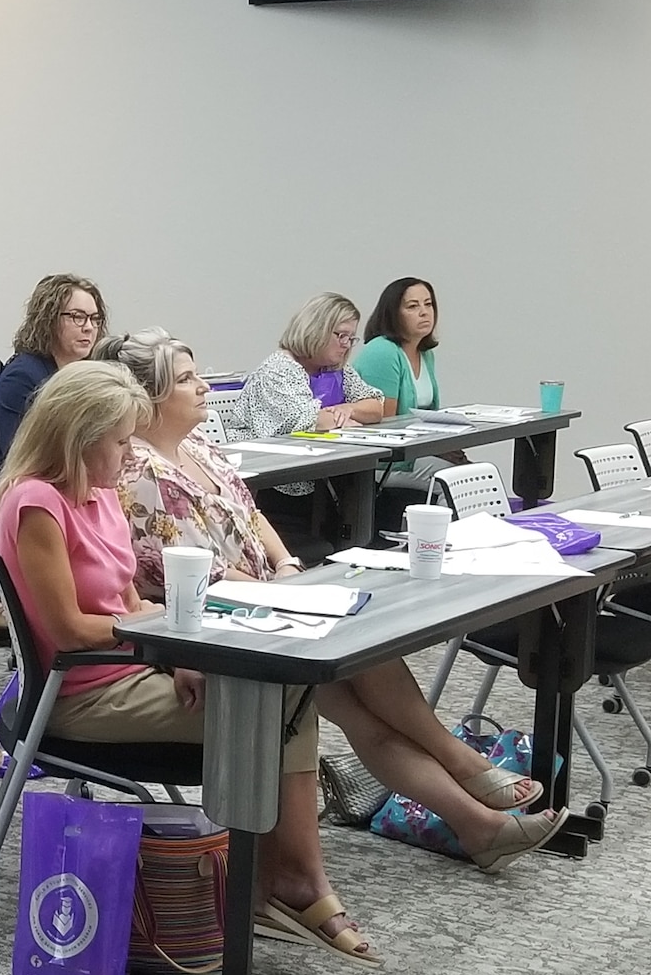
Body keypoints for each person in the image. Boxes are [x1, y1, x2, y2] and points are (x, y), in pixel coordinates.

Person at [103, 327, 564, 875]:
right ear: (150, 398)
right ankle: (468, 777)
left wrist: (288, 567)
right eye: (186, 379)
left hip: (273, 598)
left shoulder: (200, 447)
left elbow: (253, 517)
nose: (204, 386)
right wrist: (291, 596)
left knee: (364, 686)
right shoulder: (137, 471)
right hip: (221, 623)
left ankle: (476, 817)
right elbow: (191, 575)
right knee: (356, 678)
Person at [0, 360, 379, 968]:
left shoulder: (96, 494)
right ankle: (291, 885)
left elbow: (127, 601)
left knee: (286, 698)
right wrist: (165, 638)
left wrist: (176, 658)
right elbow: (70, 628)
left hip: (131, 669)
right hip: (78, 692)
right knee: (274, 712)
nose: (128, 453)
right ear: (78, 437)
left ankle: (282, 883)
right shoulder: (36, 503)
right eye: (119, 441)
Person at [231, 293, 385, 504]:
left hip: (320, 473)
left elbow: (375, 406)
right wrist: (340, 419)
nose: (347, 345)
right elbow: (310, 421)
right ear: (316, 329)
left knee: (367, 500)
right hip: (278, 483)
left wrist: (349, 409)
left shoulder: (335, 368)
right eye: (341, 335)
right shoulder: (278, 369)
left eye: (351, 338)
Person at [0, 273, 107, 483]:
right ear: (49, 320)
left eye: (94, 319)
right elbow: (28, 458)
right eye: (77, 317)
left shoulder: (87, 374)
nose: (89, 327)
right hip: (3, 490)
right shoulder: (22, 377)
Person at [353, 277, 465, 490]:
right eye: (413, 306)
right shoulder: (382, 352)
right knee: (455, 482)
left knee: (476, 474)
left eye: (428, 304)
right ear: (393, 315)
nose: (424, 312)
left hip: (416, 452)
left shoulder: (425, 352)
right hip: (386, 464)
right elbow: (384, 424)